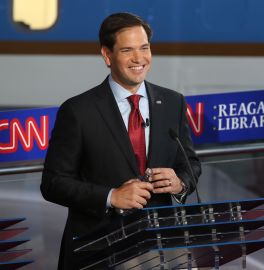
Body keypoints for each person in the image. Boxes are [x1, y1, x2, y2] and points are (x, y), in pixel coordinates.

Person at [41, 13, 201, 269]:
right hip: (97, 250)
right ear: (107, 55)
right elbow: (53, 183)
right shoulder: (78, 111)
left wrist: (179, 182)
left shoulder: (173, 102)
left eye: (144, 48)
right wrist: (111, 196)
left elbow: (190, 164)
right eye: (127, 50)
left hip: (159, 250)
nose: (139, 59)